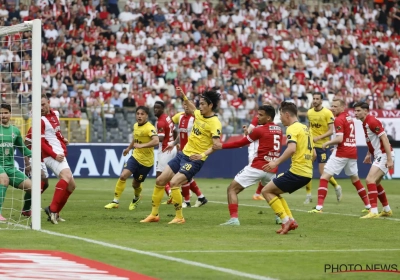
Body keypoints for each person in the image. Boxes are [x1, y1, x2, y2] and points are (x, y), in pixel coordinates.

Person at [141, 87, 222, 224]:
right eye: (200, 104)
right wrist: (184, 96)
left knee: (174, 182)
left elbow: (217, 145)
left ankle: (179, 217)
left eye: (203, 104)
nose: (199, 106)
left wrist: (202, 155)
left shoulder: (215, 123)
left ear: (211, 106)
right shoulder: (198, 114)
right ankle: (154, 215)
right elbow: (191, 107)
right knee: (160, 180)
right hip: (182, 154)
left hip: (194, 159)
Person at [213, 105, 282, 226]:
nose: (257, 117)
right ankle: (281, 217)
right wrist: (249, 133)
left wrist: (222, 146)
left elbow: (241, 143)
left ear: (269, 117)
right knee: (273, 193)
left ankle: (234, 219)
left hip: (258, 167)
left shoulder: (259, 130)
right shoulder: (279, 130)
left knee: (231, 189)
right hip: (271, 168)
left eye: (261, 115)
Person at [308, 99, 371, 214]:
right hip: (352, 152)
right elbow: (346, 137)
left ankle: (319, 207)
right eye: (332, 106)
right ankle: (368, 205)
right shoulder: (349, 118)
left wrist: (327, 143)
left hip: (342, 153)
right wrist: (336, 146)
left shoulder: (338, 119)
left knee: (324, 177)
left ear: (343, 107)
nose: (332, 108)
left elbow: (340, 138)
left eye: (335, 106)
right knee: (355, 180)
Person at [262, 101, 313, 235]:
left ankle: (285, 221)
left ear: (287, 115)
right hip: (307, 173)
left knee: (266, 191)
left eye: (280, 115)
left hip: (298, 172)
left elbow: (291, 149)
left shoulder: (292, 128)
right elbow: (313, 154)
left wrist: (276, 162)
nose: (280, 119)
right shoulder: (306, 129)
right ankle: (291, 220)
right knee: (275, 191)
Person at [104, 106, 159, 210]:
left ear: (146, 116)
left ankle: (136, 198)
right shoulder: (135, 126)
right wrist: (129, 148)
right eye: (138, 114)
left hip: (146, 162)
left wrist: (142, 146)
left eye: (142, 114)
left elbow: (156, 141)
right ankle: (115, 201)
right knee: (123, 176)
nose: (139, 116)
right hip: (135, 157)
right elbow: (135, 138)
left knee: (135, 184)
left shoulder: (149, 127)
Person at [354, 102, 394, 218]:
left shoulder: (371, 121)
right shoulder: (365, 122)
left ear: (366, 111)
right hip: (379, 154)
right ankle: (386, 209)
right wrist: (368, 153)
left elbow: (384, 139)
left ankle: (374, 211)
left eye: (358, 111)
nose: (355, 113)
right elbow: (372, 140)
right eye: (355, 111)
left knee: (369, 180)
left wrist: (389, 159)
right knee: (375, 183)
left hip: (384, 155)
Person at [165, 101, 208, 208]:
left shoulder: (195, 119)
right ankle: (200, 197)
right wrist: (174, 143)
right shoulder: (180, 117)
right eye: (184, 105)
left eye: (188, 105)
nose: (186, 107)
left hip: (192, 152)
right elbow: (180, 132)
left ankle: (187, 201)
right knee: (186, 176)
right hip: (182, 151)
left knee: (183, 175)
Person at [41, 95, 76, 225]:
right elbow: (41, 143)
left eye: (43, 104)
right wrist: (54, 155)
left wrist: (62, 140)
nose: (41, 107)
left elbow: (56, 133)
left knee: (72, 186)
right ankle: (52, 210)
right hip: (51, 155)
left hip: (59, 153)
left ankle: (56, 212)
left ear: (49, 103)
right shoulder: (40, 120)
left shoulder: (55, 114)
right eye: (39, 105)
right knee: (66, 177)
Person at [305, 93, 342, 204]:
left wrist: (319, 137)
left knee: (323, 172)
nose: (315, 100)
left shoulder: (327, 113)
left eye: (317, 99)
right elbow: (310, 126)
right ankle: (308, 195)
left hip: (323, 145)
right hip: (311, 144)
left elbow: (331, 131)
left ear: (321, 101)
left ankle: (336, 186)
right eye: (314, 98)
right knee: (307, 169)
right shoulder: (309, 112)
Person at [0, 103, 32, 221]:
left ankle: (26, 209)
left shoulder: (15, 131)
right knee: (4, 179)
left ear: (10, 114)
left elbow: (23, 149)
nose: (3, 115)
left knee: (33, 188)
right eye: (1, 113)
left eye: (5, 113)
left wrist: (37, 154)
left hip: (10, 168)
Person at [153, 101, 177, 201]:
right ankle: (172, 195)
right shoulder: (167, 117)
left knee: (160, 176)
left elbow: (161, 138)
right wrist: (175, 143)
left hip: (165, 150)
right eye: (154, 108)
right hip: (172, 148)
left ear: (162, 109)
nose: (155, 110)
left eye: (158, 108)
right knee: (169, 175)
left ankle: (171, 195)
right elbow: (175, 131)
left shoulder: (161, 122)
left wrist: (149, 140)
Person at [246, 116, 269, 201]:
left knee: (266, 171)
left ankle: (257, 194)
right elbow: (249, 131)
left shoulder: (269, 121)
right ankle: (234, 188)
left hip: (263, 151)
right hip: (254, 151)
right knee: (253, 172)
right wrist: (247, 132)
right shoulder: (257, 118)